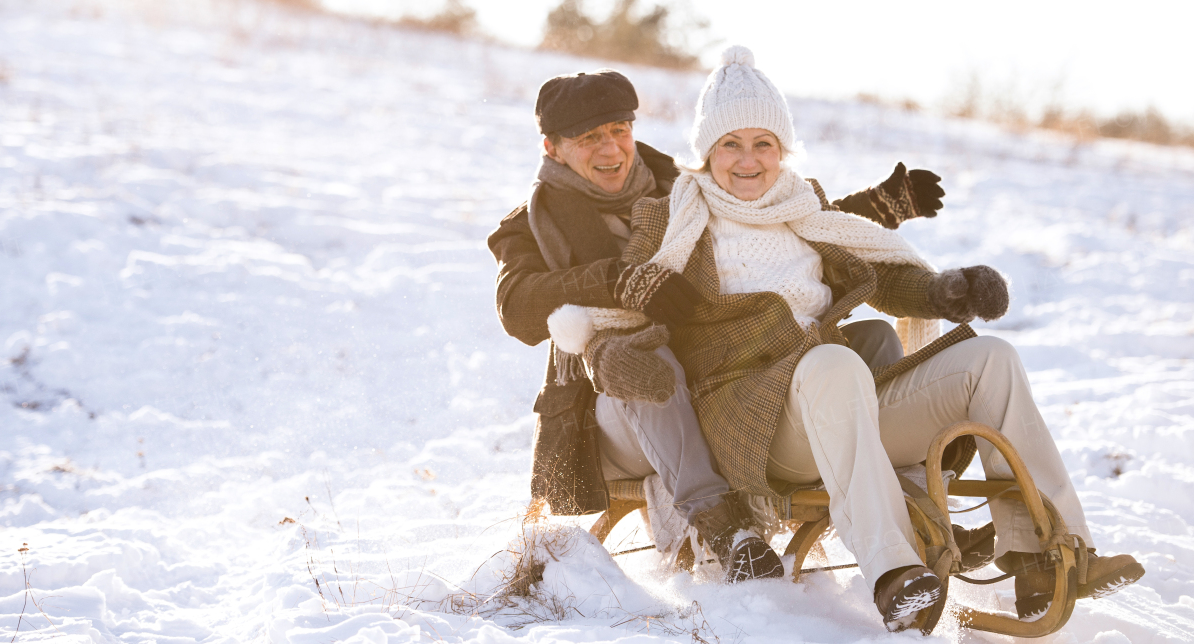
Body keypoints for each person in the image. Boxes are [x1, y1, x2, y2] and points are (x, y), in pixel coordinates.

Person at [548, 46, 1145, 630]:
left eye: (763, 143)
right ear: (706, 153)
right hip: (753, 426)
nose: (748, 160)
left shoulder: (805, 208)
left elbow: (878, 277)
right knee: (834, 360)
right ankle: (895, 574)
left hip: (840, 402)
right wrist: (618, 345)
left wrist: (946, 292)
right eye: (730, 144)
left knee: (990, 358)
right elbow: (629, 310)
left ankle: (1047, 554)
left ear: (783, 151)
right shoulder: (670, 221)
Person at [487, 67, 948, 583]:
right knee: (648, 364)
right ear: (552, 148)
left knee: (870, 341)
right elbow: (518, 305)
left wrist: (873, 209)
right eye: (588, 138)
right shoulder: (529, 226)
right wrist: (621, 282)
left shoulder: (679, 188)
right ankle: (722, 528)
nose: (610, 149)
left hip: (718, 380)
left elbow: (768, 219)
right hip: (612, 408)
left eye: (618, 130)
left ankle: (906, 507)